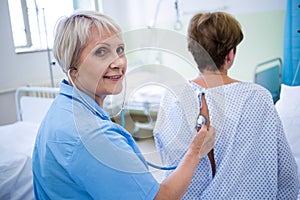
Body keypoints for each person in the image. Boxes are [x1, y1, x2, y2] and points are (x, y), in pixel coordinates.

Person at [31, 10, 215, 199]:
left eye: (120, 49)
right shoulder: (94, 137)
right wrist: (195, 152)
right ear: (73, 70)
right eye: (101, 52)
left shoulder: (60, 108)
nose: (118, 62)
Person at [153, 11, 299, 199]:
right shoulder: (257, 97)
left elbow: (167, 160)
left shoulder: (172, 97)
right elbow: (286, 171)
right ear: (230, 55)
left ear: (195, 54)